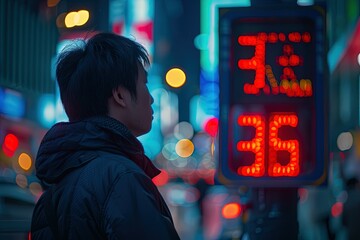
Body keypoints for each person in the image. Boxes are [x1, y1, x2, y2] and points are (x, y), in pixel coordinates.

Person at [31, 32, 180, 240]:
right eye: (145, 84)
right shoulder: (122, 179)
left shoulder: (54, 189)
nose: (152, 98)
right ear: (120, 95)